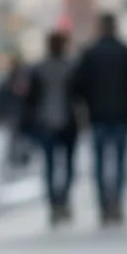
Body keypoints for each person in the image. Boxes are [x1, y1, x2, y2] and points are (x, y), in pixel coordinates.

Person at [73, 13, 127, 224]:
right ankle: (116, 203)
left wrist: (85, 105)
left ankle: (103, 205)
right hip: (122, 113)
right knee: (119, 162)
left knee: (100, 163)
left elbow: (78, 86)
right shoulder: (126, 52)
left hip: (97, 114)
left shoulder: (90, 54)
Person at [25, 32, 78, 225]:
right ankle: (59, 201)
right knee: (63, 165)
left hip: (53, 121)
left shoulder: (42, 69)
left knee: (53, 166)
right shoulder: (69, 67)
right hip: (57, 121)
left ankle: (57, 202)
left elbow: (30, 99)